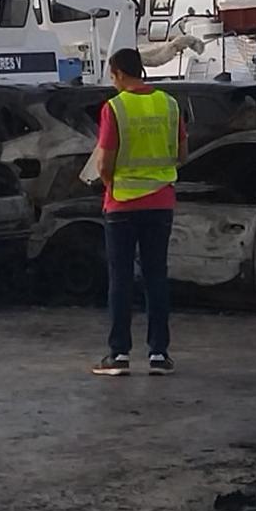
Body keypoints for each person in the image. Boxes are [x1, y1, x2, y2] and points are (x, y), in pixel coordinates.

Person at [90, 47, 185, 377]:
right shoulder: (169, 104)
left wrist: (111, 185)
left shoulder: (114, 108)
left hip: (122, 204)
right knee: (156, 276)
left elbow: (104, 161)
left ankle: (118, 355)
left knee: (121, 279)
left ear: (117, 72)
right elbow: (181, 152)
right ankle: (159, 354)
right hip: (160, 203)